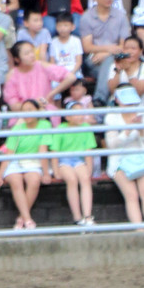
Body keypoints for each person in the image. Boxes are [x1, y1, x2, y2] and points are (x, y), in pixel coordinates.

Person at [103, 84, 144, 225]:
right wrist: (128, 130)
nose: (130, 105)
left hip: (143, 156)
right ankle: (139, 231)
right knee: (131, 195)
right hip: (119, 159)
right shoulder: (111, 117)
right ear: (117, 100)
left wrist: (141, 130)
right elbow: (112, 145)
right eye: (126, 101)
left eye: (132, 102)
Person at [0, 107, 52, 229]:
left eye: (30, 110)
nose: (28, 113)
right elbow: (9, 153)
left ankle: (22, 218)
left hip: (33, 162)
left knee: (34, 181)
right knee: (16, 182)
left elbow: (43, 151)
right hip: (15, 162)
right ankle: (28, 219)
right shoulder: (17, 128)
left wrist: (46, 173)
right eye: (25, 111)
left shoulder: (45, 125)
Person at [48, 93, 98, 227]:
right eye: (76, 113)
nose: (80, 116)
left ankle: (87, 216)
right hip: (64, 161)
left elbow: (88, 150)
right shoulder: (60, 129)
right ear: (67, 116)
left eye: (81, 112)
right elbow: (55, 151)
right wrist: (56, 170)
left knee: (85, 179)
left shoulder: (86, 127)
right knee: (71, 180)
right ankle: (77, 217)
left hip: (79, 160)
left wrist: (89, 168)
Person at [79, 0, 132, 100]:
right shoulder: (87, 17)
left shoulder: (120, 16)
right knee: (112, 71)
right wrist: (110, 49)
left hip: (117, 58)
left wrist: (107, 54)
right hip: (94, 59)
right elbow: (87, 47)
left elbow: (124, 45)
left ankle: (100, 99)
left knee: (110, 64)